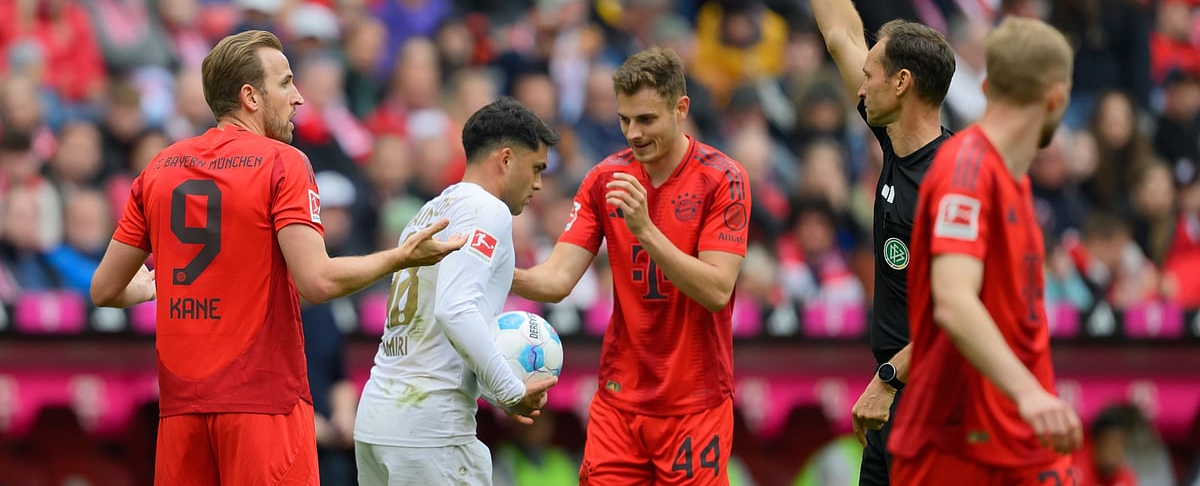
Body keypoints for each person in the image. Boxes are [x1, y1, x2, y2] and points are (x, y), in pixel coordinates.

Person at [89, 29, 465, 485]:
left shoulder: (159, 168)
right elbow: (318, 282)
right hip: (264, 408)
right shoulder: (283, 161)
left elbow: (105, 290)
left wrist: (146, 288)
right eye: (286, 83)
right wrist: (402, 256)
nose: (299, 97)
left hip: (181, 414)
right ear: (250, 96)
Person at [783, 0, 957, 485]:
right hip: (896, 400)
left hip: (931, 400)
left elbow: (961, 312)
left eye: (872, 74)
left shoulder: (953, 181)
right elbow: (840, 34)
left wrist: (888, 380)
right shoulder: (894, 140)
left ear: (902, 83)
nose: (859, 83)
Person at [512, 47, 752, 485]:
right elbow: (556, 279)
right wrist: (492, 271)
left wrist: (645, 231)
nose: (633, 133)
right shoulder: (605, 179)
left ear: (681, 109)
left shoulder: (724, 178)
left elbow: (718, 289)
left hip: (694, 405)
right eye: (624, 120)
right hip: (619, 402)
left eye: (646, 119)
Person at [889, 17, 1084, 484]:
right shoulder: (968, 170)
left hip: (1016, 440)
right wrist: (1030, 394)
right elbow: (954, 302)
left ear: (988, 84)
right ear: (1057, 97)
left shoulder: (1010, 181)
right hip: (960, 445)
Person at [354, 97, 561, 486]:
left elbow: (437, 329)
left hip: (379, 419)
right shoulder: (488, 210)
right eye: (536, 168)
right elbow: (455, 310)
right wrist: (511, 390)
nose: (537, 184)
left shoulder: (427, 212)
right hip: (430, 429)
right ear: (505, 159)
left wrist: (497, 393)